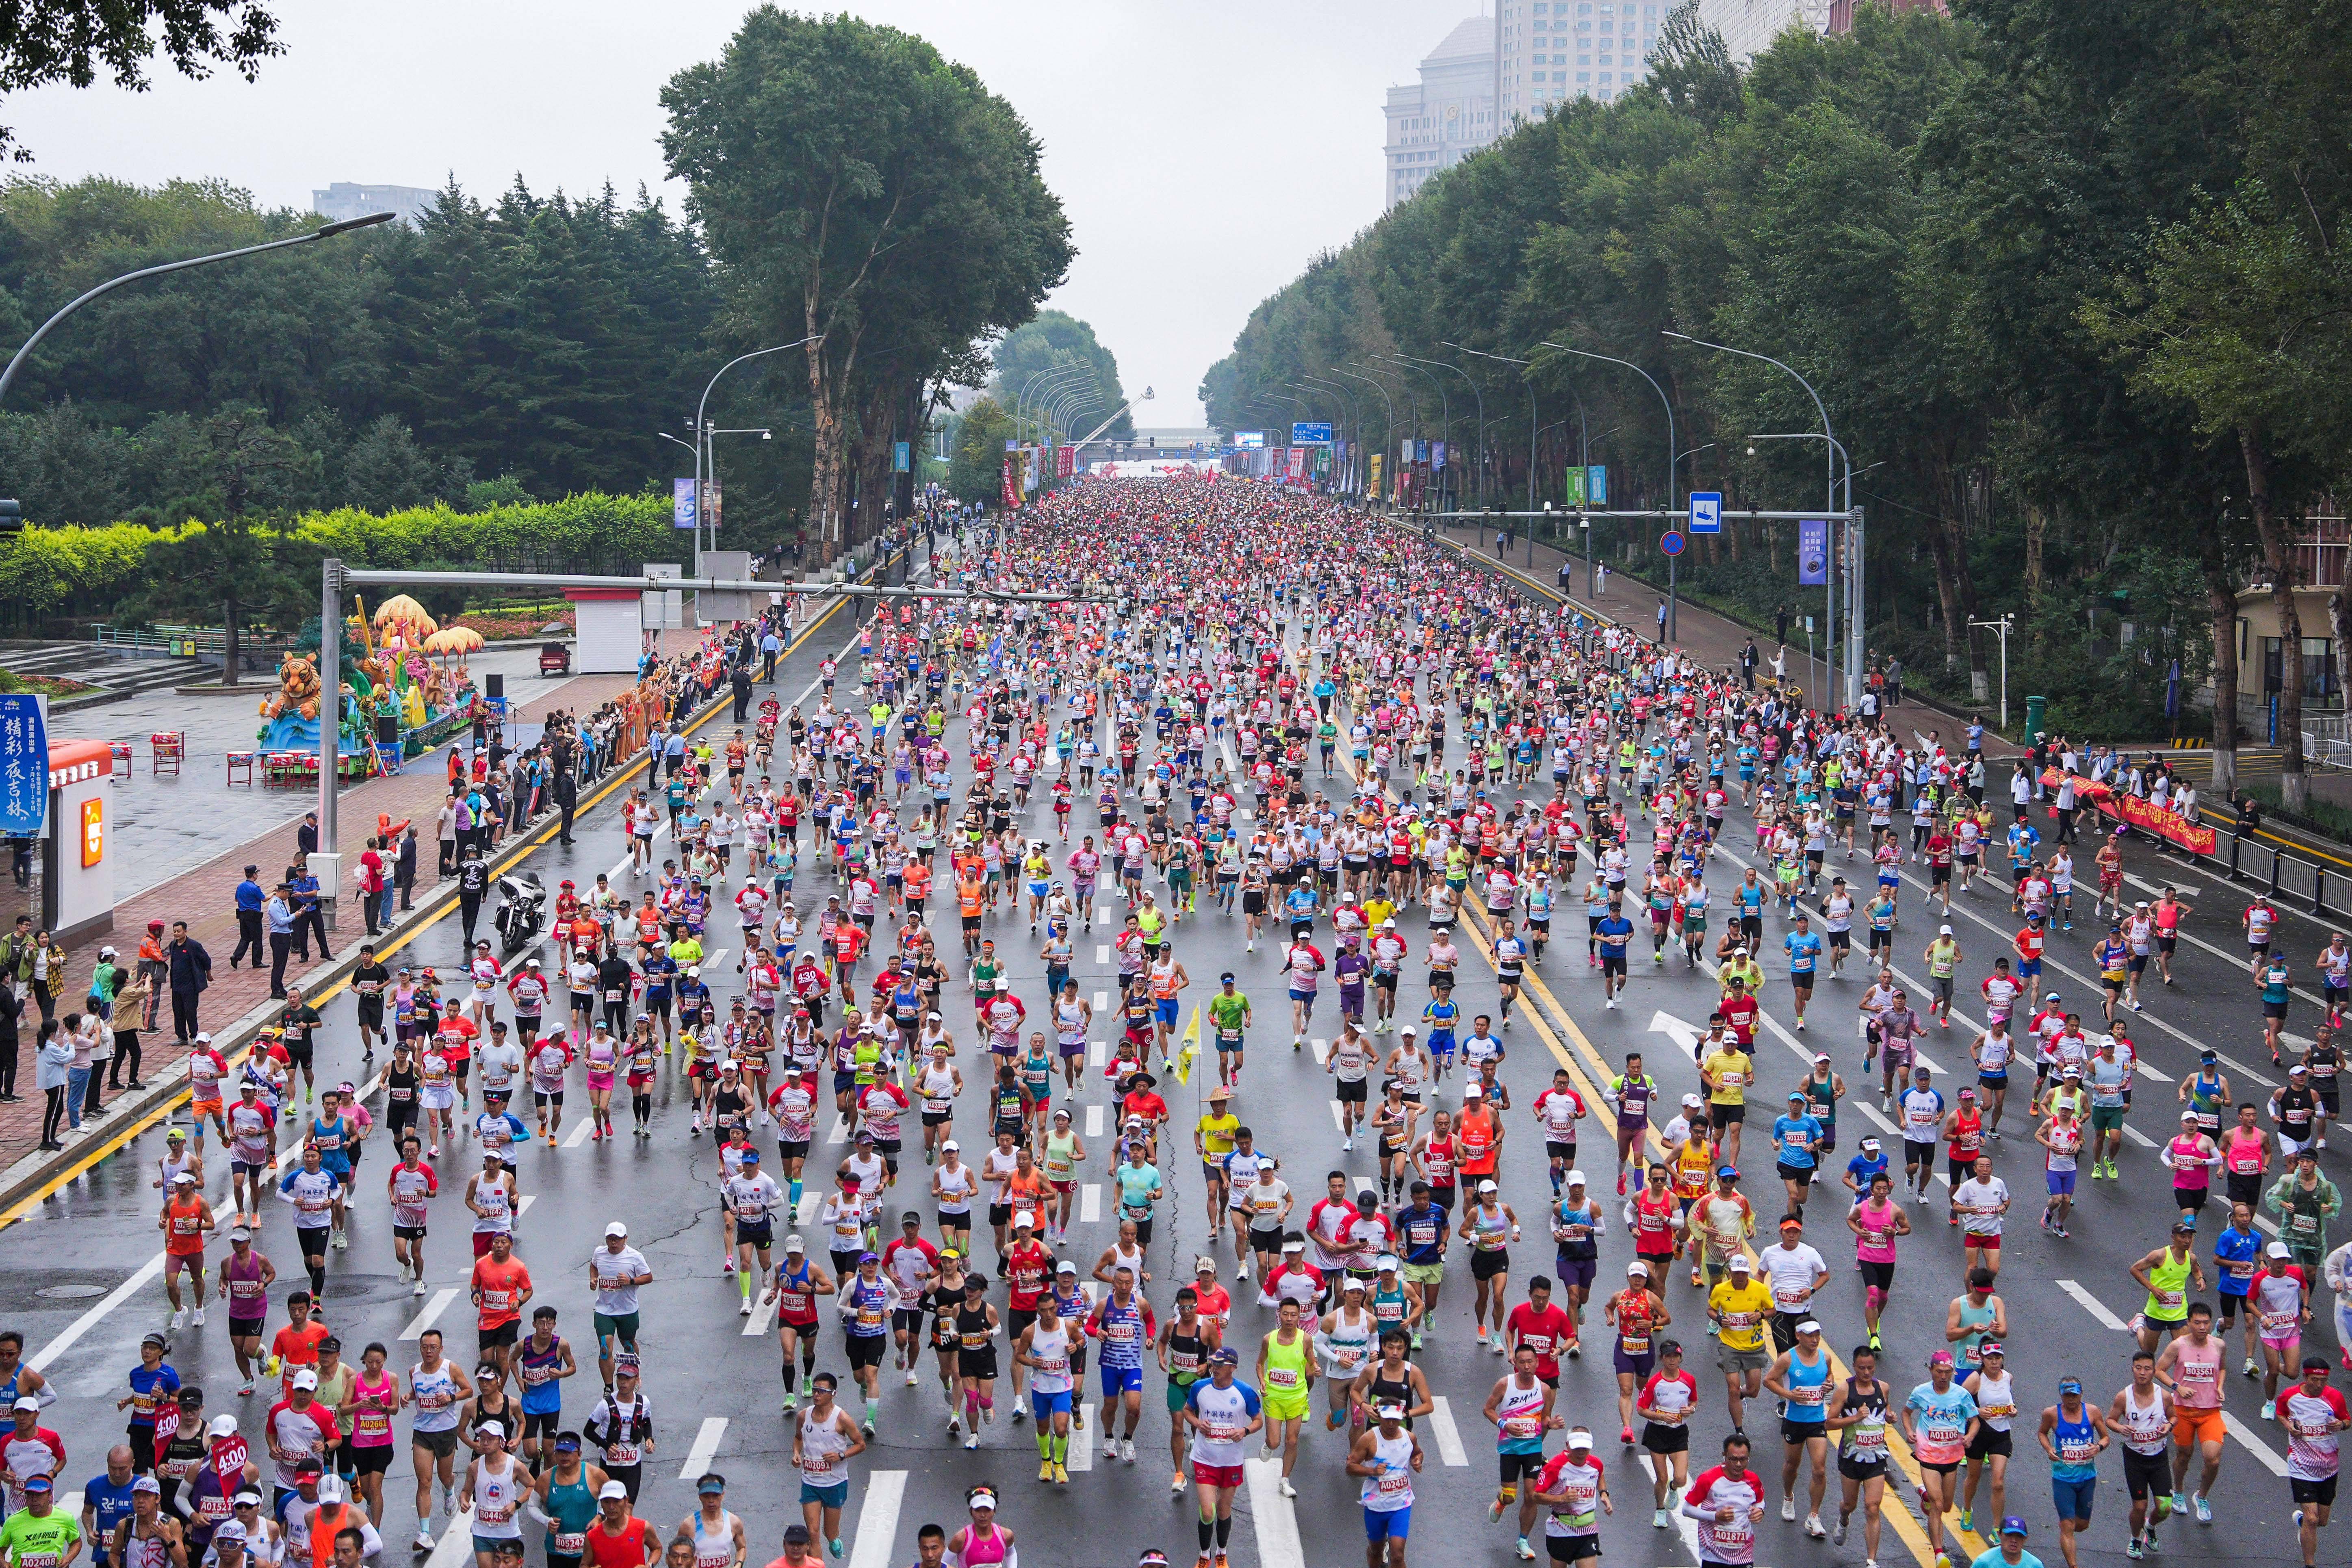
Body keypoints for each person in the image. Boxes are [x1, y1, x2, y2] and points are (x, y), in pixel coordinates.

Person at [2278, 1354, 2348, 1568]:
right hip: (2301, 1465)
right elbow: (2281, 1413)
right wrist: (2289, 1427)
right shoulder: (2290, 1396)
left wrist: (2342, 1425)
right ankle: (2310, 1564)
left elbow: (2347, 1419)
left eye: (2323, 1381)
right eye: (2314, 1380)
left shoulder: (2335, 1397)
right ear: (2305, 1377)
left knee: (2322, 1521)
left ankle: (2302, 1522)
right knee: (2312, 1519)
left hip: (2329, 1467)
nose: (2319, 1385)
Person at [2035, 1377, 2108, 1568]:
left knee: (2082, 1525)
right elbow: (2042, 1433)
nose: (2071, 1400)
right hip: (2062, 1479)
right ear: (2061, 1395)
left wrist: (2098, 1447)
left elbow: (2106, 1437)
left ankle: (2068, 1529)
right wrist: (2049, 1449)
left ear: (2081, 1394)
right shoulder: (2052, 1414)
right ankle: (2073, 1565)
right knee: (2067, 1525)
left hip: (2087, 1478)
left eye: (2075, 1396)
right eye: (2067, 1396)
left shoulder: (2092, 1412)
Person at [788, 1377, 863, 1557]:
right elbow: (798, 1438)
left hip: (835, 1483)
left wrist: (841, 1455)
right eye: (814, 1390)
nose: (816, 1394)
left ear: (833, 1394)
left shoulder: (842, 1418)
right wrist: (797, 1454)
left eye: (822, 1391)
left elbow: (860, 1444)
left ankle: (833, 1539)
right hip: (810, 1482)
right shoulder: (803, 1416)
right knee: (812, 1533)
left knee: (829, 1532)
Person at [1678, 1431, 1765, 1568]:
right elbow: (1687, 1509)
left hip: (1744, 1554)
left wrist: (1760, 1510)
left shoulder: (1753, 1480)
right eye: (1733, 1459)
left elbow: (1760, 1501)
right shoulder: (1708, 1479)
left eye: (1743, 1460)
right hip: (1713, 1554)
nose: (1738, 1464)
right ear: (1724, 1456)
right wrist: (1715, 1516)